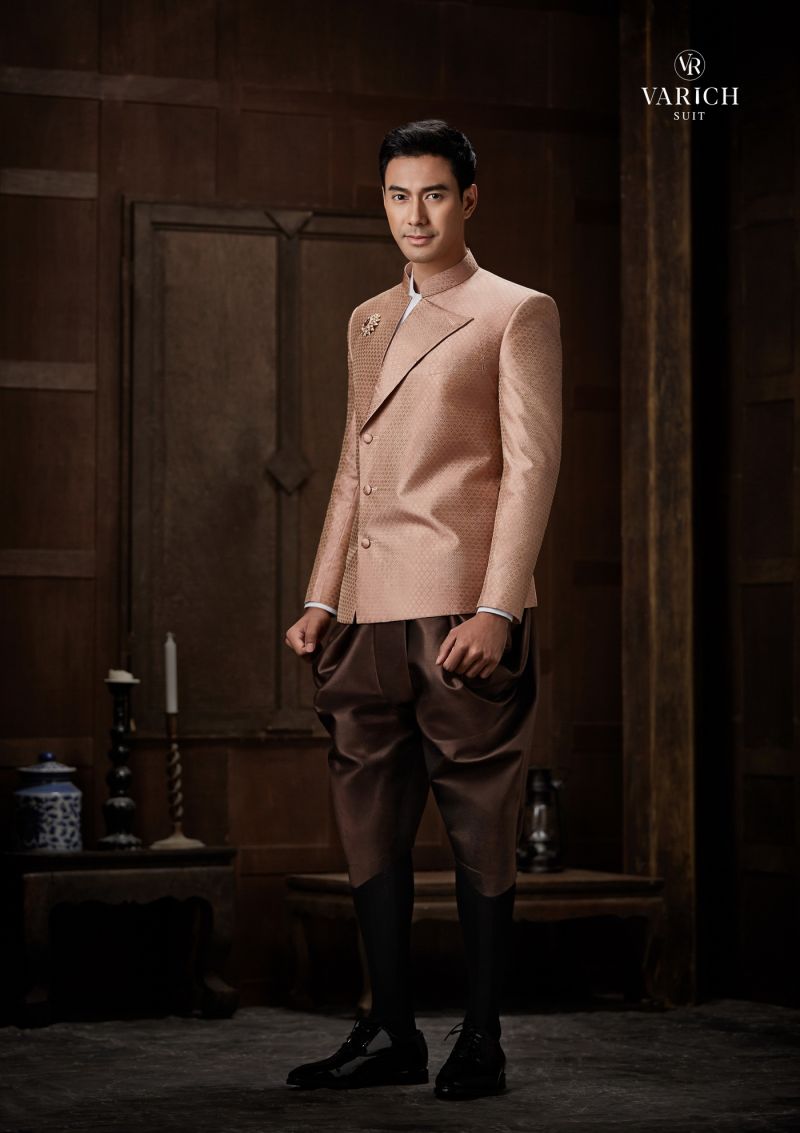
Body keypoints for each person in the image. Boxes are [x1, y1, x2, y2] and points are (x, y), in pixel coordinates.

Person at [284, 118, 562, 1100]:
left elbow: (531, 468)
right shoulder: (366, 317)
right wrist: (320, 595)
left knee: (479, 823)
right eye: (399, 195)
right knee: (368, 823)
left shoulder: (515, 311)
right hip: (363, 616)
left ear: (468, 200)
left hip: (459, 612)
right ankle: (390, 1030)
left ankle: (480, 1038)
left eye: (434, 194)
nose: (415, 214)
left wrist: (497, 609)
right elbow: (352, 465)